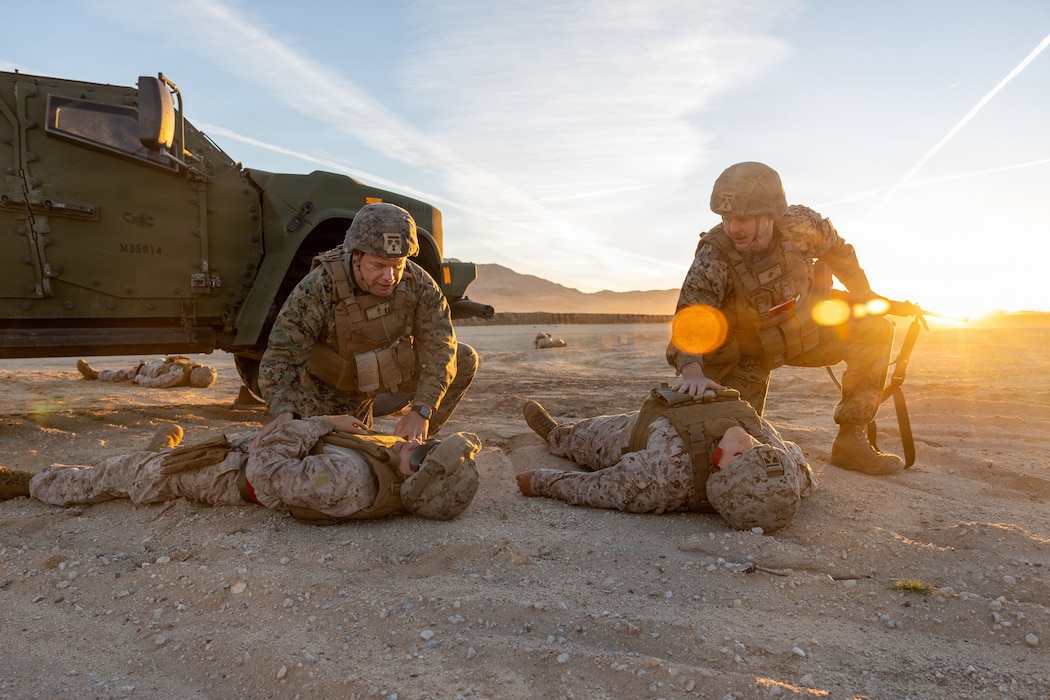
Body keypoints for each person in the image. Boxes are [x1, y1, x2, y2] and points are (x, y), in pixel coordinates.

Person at [667, 161, 904, 475]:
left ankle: (851, 441)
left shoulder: (800, 227)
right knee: (736, 451)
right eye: (725, 218)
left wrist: (865, 296)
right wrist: (693, 372)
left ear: (770, 214)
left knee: (874, 329)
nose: (732, 228)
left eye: (742, 218)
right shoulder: (715, 255)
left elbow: (840, 252)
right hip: (746, 355)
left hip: (800, 333)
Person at [256, 203, 478, 448]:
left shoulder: (420, 285)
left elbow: (440, 348)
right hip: (331, 386)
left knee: (464, 358)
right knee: (340, 453)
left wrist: (422, 410)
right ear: (357, 255)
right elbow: (281, 356)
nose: (389, 277)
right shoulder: (319, 287)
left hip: (387, 371)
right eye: (378, 266)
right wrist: (285, 410)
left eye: (397, 265)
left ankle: (412, 441)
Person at [0, 417, 482, 523]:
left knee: (124, 475)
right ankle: (153, 457)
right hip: (240, 452)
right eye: (430, 443)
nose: (418, 444)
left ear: (415, 480)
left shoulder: (344, 482)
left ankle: (35, 484)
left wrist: (311, 424)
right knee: (141, 464)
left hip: (230, 474)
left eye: (423, 455)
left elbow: (268, 478)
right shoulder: (387, 464)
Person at [516, 388, 816, 531]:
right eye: (761, 451)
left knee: (583, 438)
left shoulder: (664, 477)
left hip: (636, 433)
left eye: (739, 455)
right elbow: (802, 468)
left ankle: (556, 434)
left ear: (717, 470)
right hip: (691, 409)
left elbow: (596, 488)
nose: (746, 440)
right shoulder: (786, 470)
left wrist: (542, 481)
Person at [76, 356, 217, 388]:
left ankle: (93, 375)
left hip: (142, 372)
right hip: (152, 366)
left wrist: (138, 378)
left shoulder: (177, 376)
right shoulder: (186, 369)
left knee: (117, 374)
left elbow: (155, 382)